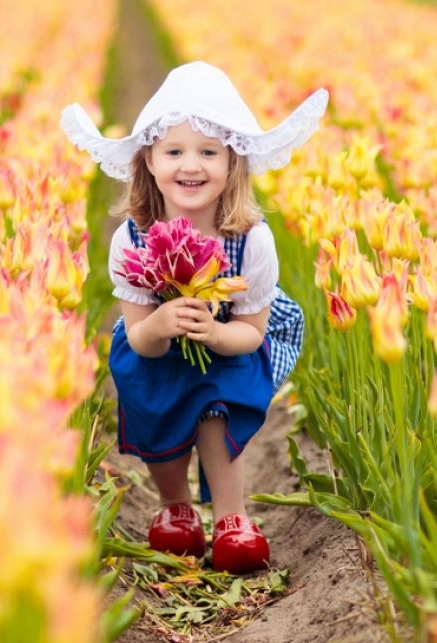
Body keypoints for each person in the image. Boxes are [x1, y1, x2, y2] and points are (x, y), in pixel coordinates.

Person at [61, 61, 328, 573]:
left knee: (215, 405)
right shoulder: (131, 238)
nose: (192, 165)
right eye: (175, 151)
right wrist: (161, 327)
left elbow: (251, 333)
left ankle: (232, 517)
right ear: (149, 162)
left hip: (228, 343)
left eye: (209, 152)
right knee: (158, 406)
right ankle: (176, 508)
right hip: (153, 348)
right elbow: (139, 336)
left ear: (233, 163)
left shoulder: (250, 240)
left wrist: (215, 333)